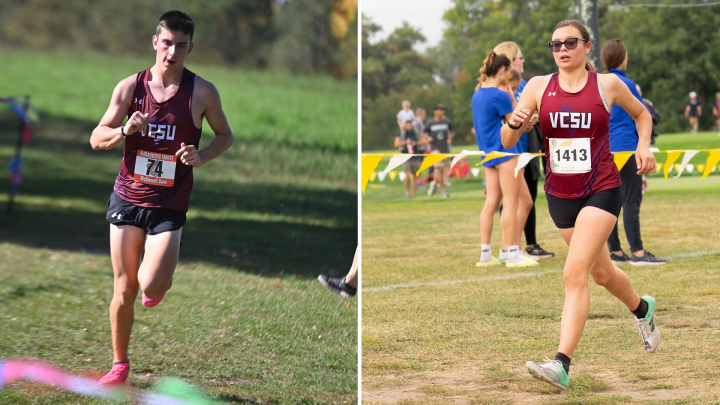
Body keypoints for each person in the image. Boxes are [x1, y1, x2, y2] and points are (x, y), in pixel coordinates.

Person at [501, 19, 659, 389]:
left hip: (601, 188)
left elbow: (642, 114)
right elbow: (508, 139)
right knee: (601, 274)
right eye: (555, 44)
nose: (562, 50)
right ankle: (642, 308)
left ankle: (561, 364)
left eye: (570, 42)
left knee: (574, 274)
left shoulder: (607, 84)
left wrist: (643, 145)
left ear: (587, 46)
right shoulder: (539, 87)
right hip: (560, 195)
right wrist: (515, 121)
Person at [90, 10, 234, 385]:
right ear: (156, 41)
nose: (172, 52)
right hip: (127, 197)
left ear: (190, 48)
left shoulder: (202, 92)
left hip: (169, 203)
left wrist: (201, 156)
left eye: (181, 46)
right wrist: (124, 129)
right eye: (167, 43)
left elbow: (224, 135)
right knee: (124, 287)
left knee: (151, 284)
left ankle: (159, 279)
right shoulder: (129, 87)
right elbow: (96, 137)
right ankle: (119, 365)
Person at [601, 39, 667, 266]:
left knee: (608, 202)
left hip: (604, 149)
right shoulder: (626, 83)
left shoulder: (598, 82)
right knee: (631, 200)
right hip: (627, 147)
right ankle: (638, 253)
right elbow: (641, 114)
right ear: (622, 58)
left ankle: (616, 251)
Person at [472, 50, 537, 268]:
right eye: (508, 73)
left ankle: (485, 253)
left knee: (491, 203)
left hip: (488, 155)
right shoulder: (499, 95)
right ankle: (512, 253)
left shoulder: (478, 93)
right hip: (507, 154)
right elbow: (515, 124)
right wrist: (511, 98)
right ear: (502, 71)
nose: (509, 78)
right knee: (511, 203)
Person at [493, 41, 555, 260]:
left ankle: (513, 248)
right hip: (510, 150)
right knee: (512, 201)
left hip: (527, 145)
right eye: (520, 57)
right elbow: (507, 120)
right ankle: (511, 249)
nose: (523, 61)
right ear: (509, 60)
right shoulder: (499, 89)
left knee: (525, 198)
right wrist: (522, 120)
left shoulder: (523, 84)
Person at [424, 104, 454, 198]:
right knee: (439, 168)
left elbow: (452, 131)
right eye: (440, 110)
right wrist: (427, 138)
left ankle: (434, 184)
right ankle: (442, 191)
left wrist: (449, 138)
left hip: (444, 149)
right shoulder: (430, 123)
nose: (442, 111)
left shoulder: (446, 122)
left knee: (441, 170)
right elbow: (423, 133)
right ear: (435, 111)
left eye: (443, 110)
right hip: (434, 149)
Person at [394, 120, 425, 198]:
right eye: (408, 125)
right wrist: (406, 142)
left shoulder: (416, 132)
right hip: (405, 157)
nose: (409, 127)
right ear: (405, 126)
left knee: (415, 176)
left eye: (410, 125)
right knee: (407, 175)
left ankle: (413, 195)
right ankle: (407, 192)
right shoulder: (401, 133)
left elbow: (423, 141)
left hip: (415, 156)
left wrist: (415, 143)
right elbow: (396, 144)